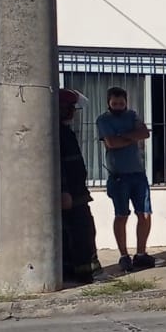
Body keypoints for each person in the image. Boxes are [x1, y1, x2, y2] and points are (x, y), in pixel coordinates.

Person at [96, 86, 154, 271]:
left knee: (144, 214)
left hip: (138, 174)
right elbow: (111, 143)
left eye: (121, 103)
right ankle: (123, 255)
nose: (119, 106)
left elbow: (145, 133)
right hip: (118, 175)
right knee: (121, 215)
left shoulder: (132, 116)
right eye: (115, 103)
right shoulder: (103, 120)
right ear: (109, 103)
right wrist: (131, 137)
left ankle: (141, 253)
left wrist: (123, 136)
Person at [58, 89, 102, 284]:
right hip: (70, 194)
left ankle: (83, 271)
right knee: (78, 233)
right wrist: (63, 190)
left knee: (83, 231)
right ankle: (80, 273)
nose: (74, 114)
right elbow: (57, 164)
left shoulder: (65, 132)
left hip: (78, 192)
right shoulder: (57, 133)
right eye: (71, 109)